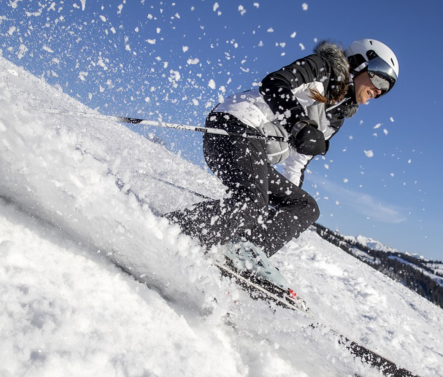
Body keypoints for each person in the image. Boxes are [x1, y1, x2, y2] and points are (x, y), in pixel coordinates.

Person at [165, 39, 399, 278]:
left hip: (253, 153)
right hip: (233, 127)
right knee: (253, 203)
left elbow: (298, 160)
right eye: (380, 79)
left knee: (305, 207)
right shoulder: (323, 69)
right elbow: (275, 83)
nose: (379, 90)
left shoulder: (336, 118)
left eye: (385, 90)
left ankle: (242, 252)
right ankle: (169, 232)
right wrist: (299, 124)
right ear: (360, 62)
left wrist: (284, 205)